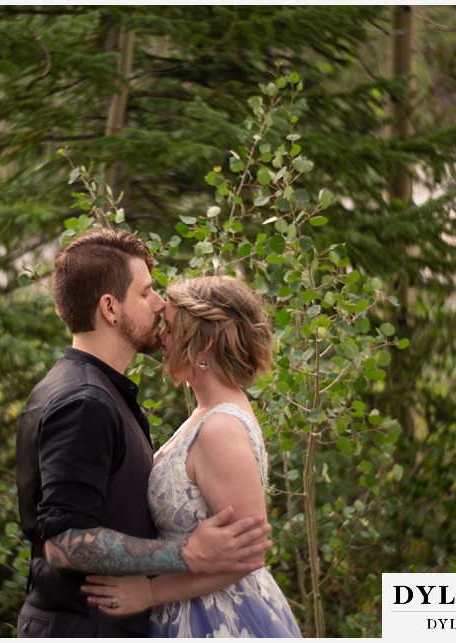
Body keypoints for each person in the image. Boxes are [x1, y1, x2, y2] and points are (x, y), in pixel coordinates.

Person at [16, 230, 273, 638]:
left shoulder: (102, 393)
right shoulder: (86, 401)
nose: (159, 305)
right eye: (147, 291)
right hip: (84, 627)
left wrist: (153, 590)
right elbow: (63, 542)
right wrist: (185, 553)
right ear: (110, 308)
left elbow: (249, 547)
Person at [81, 275, 303, 637]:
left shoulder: (221, 429)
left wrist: (150, 592)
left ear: (206, 343)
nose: (160, 338)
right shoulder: (206, 413)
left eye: (169, 328)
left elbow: (250, 554)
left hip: (221, 618)